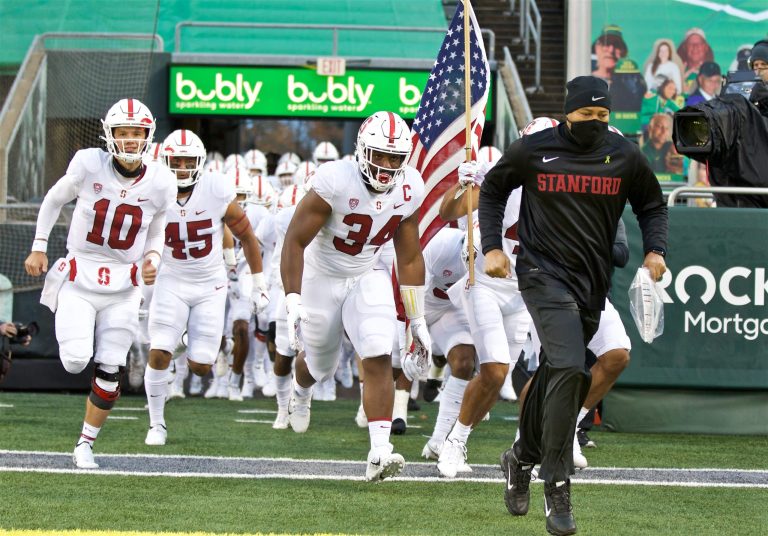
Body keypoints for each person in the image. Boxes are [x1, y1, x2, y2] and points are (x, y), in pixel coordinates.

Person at [480, 76, 668, 536]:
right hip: (542, 275)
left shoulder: (623, 155)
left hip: (591, 283)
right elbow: (491, 190)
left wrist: (656, 250)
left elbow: (652, 204)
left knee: (555, 371)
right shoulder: (534, 150)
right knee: (569, 365)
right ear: (570, 112)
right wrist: (492, 247)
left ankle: (521, 456)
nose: (596, 123)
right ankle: (557, 484)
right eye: (588, 115)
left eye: (604, 116)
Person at [24, 98, 177, 469]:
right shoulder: (88, 163)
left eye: (135, 133)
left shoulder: (161, 180)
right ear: (109, 135)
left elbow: (157, 231)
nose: (128, 140)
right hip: (80, 277)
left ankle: (85, 444)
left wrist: (153, 260)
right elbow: (54, 199)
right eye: (122, 133)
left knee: (110, 368)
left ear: (147, 136)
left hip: (124, 287)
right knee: (76, 361)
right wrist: (39, 246)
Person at [281, 111, 430, 482]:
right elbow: (295, 241)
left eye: (394, 157)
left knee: (379, 350)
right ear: (362, 150)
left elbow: (409, 256)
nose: (385, 165)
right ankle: (300, 391)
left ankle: (379, 452)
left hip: (367, 271)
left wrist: (418, 319)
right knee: (320, 366)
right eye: (378, 155)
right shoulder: (334, 180)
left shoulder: (410, 186)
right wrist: (293, 299)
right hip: (322, 275)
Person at [143, 129, 269, 446]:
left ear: (200, 163)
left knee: (200, 367)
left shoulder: (215, 189)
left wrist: (259, 282)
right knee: (158, 350)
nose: (183, 167)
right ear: (165, 162)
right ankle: (156, 424)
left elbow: (246, 235)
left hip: (209, 285)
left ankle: (185, 339)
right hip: (171, 280)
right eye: (176, 161)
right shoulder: (152, 188)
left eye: (189, 161)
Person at [677, 28, 715, 95]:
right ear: (684, 47)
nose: (695, 47)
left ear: (705, 47)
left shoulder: (714, 72)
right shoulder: (677, 71)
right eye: (690, 43)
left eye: (699, 43)